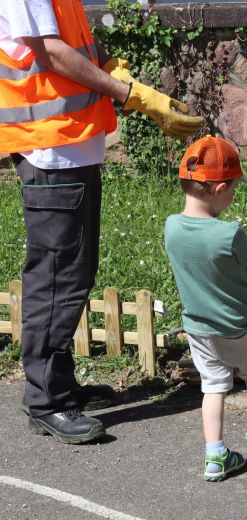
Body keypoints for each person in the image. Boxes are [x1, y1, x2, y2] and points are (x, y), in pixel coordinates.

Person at [0, 1, 204, 444]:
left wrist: (113, 68)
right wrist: (124, 91)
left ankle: (59, 385)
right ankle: (45, 401)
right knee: (56, 275)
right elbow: (49, 52)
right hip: (49, 147)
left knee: (73, 271)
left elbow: (75, 44)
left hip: (69, 143)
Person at [164, 136, 247, 482]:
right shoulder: (229, 233)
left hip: (199, 328)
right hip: (238, 326)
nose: (232, 196)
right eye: (232, 189)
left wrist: (238, 284)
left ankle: (215, 455)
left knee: (213, 385)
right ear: (218, 189)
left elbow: (205, 272)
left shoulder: (171, 228)